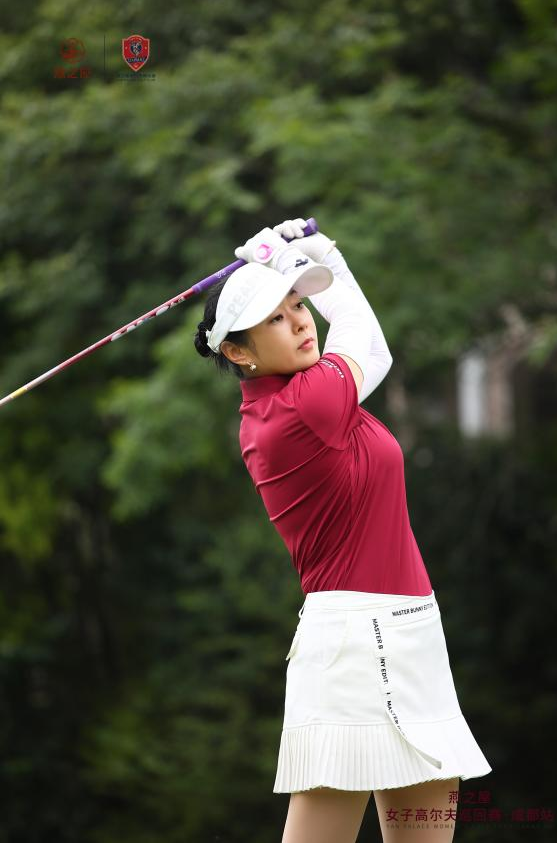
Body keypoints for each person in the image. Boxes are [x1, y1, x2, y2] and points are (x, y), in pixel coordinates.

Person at [194, 219, 492, 843]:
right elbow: (361, 334)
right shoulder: (301, 407)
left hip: (412, 628)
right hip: (354, 642)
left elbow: (368, 351)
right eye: (276, 318)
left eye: (299, 306)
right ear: (239, 352)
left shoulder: (307, 398)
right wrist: (317, 253)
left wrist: (305, 260)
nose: (302, 323)